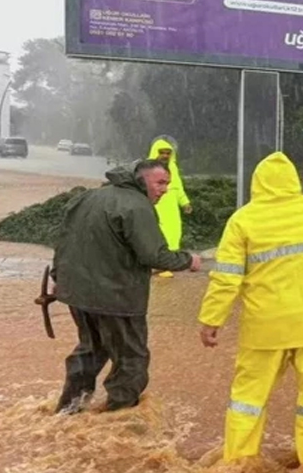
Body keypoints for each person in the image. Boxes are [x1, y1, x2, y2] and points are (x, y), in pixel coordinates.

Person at [198, 151, 303, 467]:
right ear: (293, 181)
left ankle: (238, 464)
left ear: (257, 184)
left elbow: (226, 278)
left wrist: (211, 319)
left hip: (265, 328)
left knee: (248, 399)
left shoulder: (243, 221)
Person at [51, 159, 202, 415]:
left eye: (168, 183)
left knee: (90, 350)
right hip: (118, 299)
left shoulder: (88, 197)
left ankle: (68, 411)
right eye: (160, 182)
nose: (165, 189)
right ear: (141, 178)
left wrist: (59, 279)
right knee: (131, 360)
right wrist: (188, 260)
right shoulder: (136, 205)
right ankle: (120, 419)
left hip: (78, 295)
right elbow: (154, 256)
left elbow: (63, 240)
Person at [148, 135, 192, 278]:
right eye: (162, 152)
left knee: (173, 234)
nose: (165, 156)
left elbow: (178, 187)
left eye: (168, 153)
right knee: (154, 234)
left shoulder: (173, 168)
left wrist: (185, 202)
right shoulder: (147, 168)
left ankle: (169, 264)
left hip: (172, 208)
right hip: (154, 207)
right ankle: (152, 263)